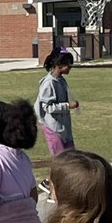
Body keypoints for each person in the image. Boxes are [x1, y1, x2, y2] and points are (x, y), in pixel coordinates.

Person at [35, 46, 78, 198]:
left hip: (64, 127)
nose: (70, 68)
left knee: (70, 157)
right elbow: (46, 107)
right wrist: (67, 106)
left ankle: (48, 182)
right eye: (68, 65)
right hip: (52, 127)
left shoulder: (61, 81)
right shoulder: (48, 83)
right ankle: (54, 194)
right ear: (59, 65)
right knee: (59, 160)